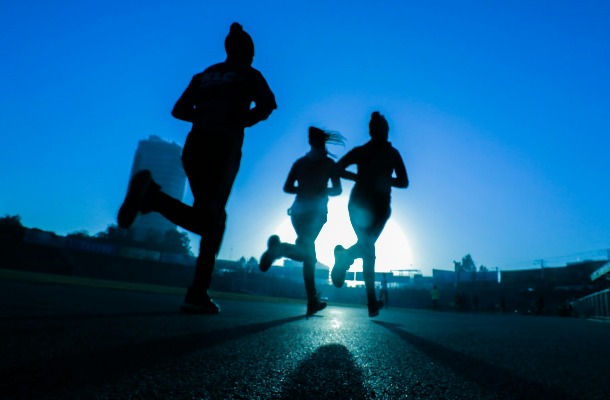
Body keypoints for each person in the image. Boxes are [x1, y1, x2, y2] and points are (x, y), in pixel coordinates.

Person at [117, 23, 277, 314]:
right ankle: (153, 200)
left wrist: (203, 116)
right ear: (248, 52)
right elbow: (269, 105)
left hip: (195, 146)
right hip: (223, 147)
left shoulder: (204, 75)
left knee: (212, 217)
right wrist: (240, 119)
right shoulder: (249, 74)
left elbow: (178, 110)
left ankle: (197, 291)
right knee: (211, 220)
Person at [331, 111, 409, 317]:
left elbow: (404, 181)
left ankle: (344, 258)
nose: (383, 134)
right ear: (373, 132)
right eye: (380, 131)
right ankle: (371, 302)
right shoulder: (363, 151)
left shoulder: (393, 154)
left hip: (380, 212)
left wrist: (386, 180)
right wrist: (358, 177)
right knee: (368, 250)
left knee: (367, 249)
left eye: (385, 131)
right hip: (360, 207)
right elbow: (337, 169)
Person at [259, 127, 344, 315]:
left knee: (309, 255)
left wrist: (304, 189)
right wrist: (322, 190)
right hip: (316, 214)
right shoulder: (330, 164)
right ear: (323, 143)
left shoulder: (300, 163)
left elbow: (287, 187)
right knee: (309, 256)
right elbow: (338, 190)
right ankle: (280, 249)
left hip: (297, 213)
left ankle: (312, 299)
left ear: (310, 143)